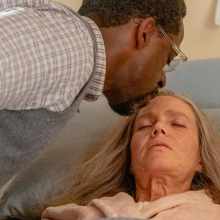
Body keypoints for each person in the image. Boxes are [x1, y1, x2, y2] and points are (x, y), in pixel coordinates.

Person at [0, 0, 187, 187]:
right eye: (167, 60)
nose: (163, 79)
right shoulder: (69, 49)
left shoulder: (63, 43)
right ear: (145, 32)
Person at [40, 89, 220, 220]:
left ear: (201, 161)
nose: (158, 127)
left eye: (178, 124)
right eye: (144, 125)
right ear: (130, 162)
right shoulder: (73, 214)